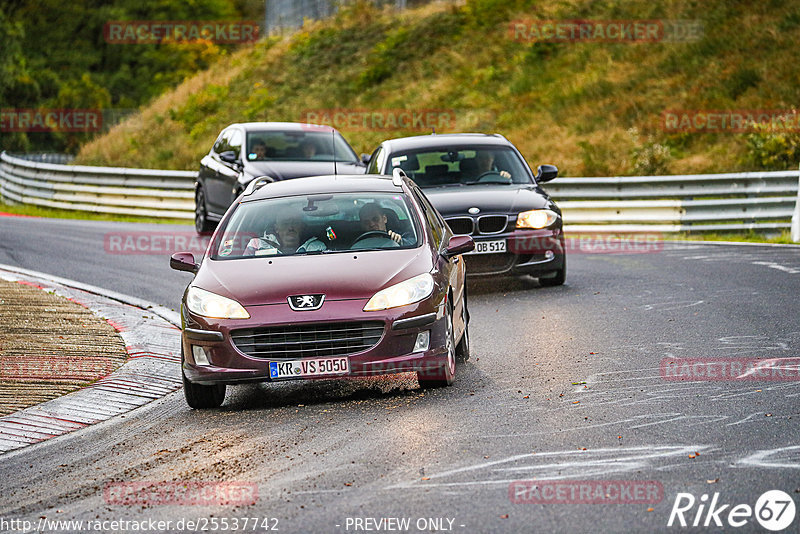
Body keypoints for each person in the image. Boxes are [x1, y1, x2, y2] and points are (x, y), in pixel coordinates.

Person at [244, 208, 326, 256]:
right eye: (285, 223)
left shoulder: (317, 247)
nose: (290, 228)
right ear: (276, 228)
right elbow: (245, 270)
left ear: (302, 226)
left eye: (295, 223)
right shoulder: (257, 245)